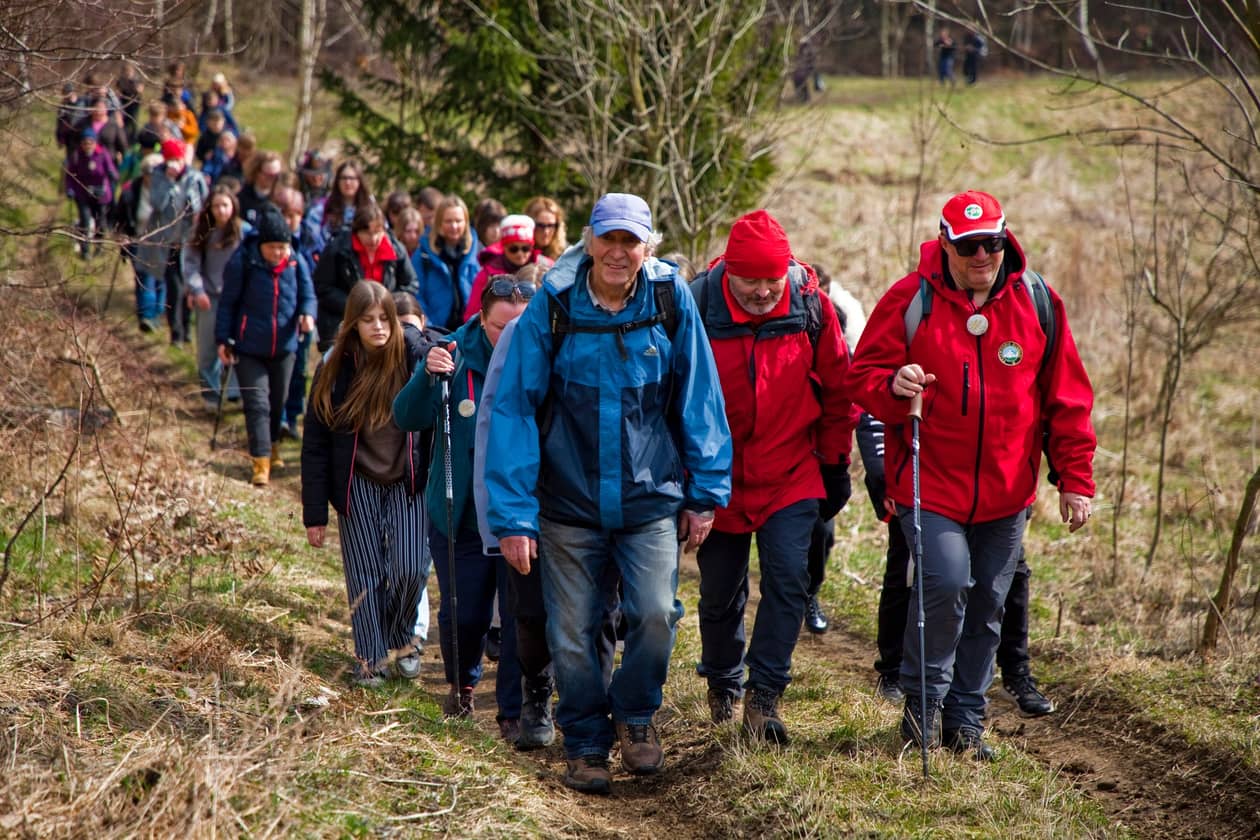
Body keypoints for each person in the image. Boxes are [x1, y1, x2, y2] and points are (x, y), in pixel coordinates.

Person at [485, 193, 732, 794]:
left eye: (631, 241)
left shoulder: (670, 303)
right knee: (570, 631)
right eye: (609, 240)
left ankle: (637, 712)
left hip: (650, 501)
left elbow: (699, 399)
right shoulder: (554, 305)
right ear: (590, 242)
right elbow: (514, 409)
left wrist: (705, 491)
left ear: (648, 247)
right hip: (567, 504)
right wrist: (514, 514)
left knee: (654, 615)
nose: (619, 252)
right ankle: (588, 741)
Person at [846, 190, 1096, 760]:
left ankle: (966, 718)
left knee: (988, 599)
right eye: (968, 246)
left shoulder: (1037, 303)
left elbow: (1067, 398)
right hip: (929, 482)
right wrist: (892, 384)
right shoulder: (911, 300)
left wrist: (1074, 478)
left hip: (1008, 491)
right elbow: (861, 377)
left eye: (992, 244)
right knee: (946, 583)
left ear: (1005, 240)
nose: (982, 255)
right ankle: (923, 710)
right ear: (945, 244)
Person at [689, 210, 855, 743]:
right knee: (720, 593)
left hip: (791, 471)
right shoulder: (696, 306)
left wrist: (833, 462)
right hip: (719, 478)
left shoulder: (812, 306)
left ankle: (764, 698)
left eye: (771, 279)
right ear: (729, 273)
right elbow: (674, 398)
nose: (762, 292)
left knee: (788, 582)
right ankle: (722, 680)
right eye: (750, 281)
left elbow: (838, 389)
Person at [394, 276, 534, 739]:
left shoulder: (540, 353)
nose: (511, 336)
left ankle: (513, 710)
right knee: (466, 612)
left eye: (520, 324)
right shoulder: (452, 353)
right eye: (501, 327)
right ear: (480, 319)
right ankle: (462, 684)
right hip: (459, 512)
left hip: (521, 512)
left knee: (518, 615)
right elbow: (407, 417)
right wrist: (428, 376)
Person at [302, 282, 429, 686]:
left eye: (383, 319)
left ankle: (398, 633)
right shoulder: (335, 368)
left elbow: (429, 346)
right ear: (352, 324)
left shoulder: (409, 352)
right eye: (367, 320)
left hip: (407, 479)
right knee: (365, 573)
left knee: (410, 569)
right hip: (356, 482)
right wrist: (315, 514)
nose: (378, 328)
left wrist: (436, 356)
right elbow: (315, 444)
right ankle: (369, 660)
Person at [217, 208, 316, 486]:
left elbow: (308, 294)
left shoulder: (296, 262)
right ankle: (260, 461)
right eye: (273, 248)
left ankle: (271, 445)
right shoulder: (244, 261)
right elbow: (228, 303)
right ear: (261, 245)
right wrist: (223, 340)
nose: (278, 253)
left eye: (282, 248)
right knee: (257, 403)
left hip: (284, 347)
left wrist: (308, 313)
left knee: (277, 402)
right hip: (249, 347)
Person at [313, 204, 418, 352]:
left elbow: (411, 283)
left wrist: (388, 303)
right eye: (367, 233)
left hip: (384, 325)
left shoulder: (396, 250)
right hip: (343, 324)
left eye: (378, 232)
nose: (374, 238)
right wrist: (355, 306)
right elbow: (322, 286)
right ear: (357, 232)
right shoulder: (337, 250)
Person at [183, 185, 248, 411]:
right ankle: (210, 395)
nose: (221, 210)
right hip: (209, 297)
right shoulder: (200, 231)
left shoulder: (244, 232)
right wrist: (196, 289)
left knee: (237, 347)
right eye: (216, 206)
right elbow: (190, 263)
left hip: (239, 298)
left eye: (225, 205)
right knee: (208, 349)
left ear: (233, 206)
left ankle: (233, 392)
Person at [139, 138, 208, 344]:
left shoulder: (194, 177)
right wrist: (170, 183)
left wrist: (186, 190)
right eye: (170, 160)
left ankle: (186, 331)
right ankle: (176, 334)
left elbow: (200, 207)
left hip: (189, 241)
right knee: (174, 288)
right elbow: (157, 203)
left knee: (189, 287)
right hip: (167, 243)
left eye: (177, 160)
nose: (174, 164)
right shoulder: (158, 176)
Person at [271, 186, 314, 441]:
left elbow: (309, 284)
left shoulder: (309, 239)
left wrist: (308, 312)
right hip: (276, 319)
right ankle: (278, 419)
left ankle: (293, 417)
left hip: (302, 318)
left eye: (293, 214)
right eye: (283, 214)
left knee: (299, 371)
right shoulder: (267, 239)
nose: (288, 220)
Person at [463, 214, 554, 322]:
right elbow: (471, 316)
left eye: (525, 248)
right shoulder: (487, 274)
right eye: (513, 249)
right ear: (504, 247)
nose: (520, 254)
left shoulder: (547, 268)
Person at [412, 195, 480, 332]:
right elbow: (416, 295)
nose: (454, 226)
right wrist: (429, 326)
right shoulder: (423, 254)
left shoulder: (477, 252)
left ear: (466, 223)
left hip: (470, 331)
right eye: (448, 221)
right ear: (439, 223)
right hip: (436, 331)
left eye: (458, 221)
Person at [63, 125, 118, 260]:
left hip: (101, 195)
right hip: (83, 194)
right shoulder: (77, 156)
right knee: (85, 221)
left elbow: (113, 171)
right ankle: (85, 250)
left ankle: (99, 248)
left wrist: (112, 175)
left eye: (90, 143)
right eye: (85, 143)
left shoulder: (103, 154)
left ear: (95, 142)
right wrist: (70, 189)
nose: (88, 146)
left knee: (100, 223)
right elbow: (70, 175)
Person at [302, 160, 373, 261]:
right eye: (343, 178)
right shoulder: (321, 209)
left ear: (360, 181)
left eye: (352, 178)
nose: (347, 182)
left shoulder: (371, 208)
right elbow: (312, 241)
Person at [237, 151, 283, 227]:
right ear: (257, 172)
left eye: (276, 175)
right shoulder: (241, 198)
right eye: (268, 175)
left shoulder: (281, 199)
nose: (273, 179)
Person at [523, 196, 566, 261]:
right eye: (540, 225)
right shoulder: (516, 251)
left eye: (551, 225)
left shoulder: (566, 254)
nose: (546, 231)